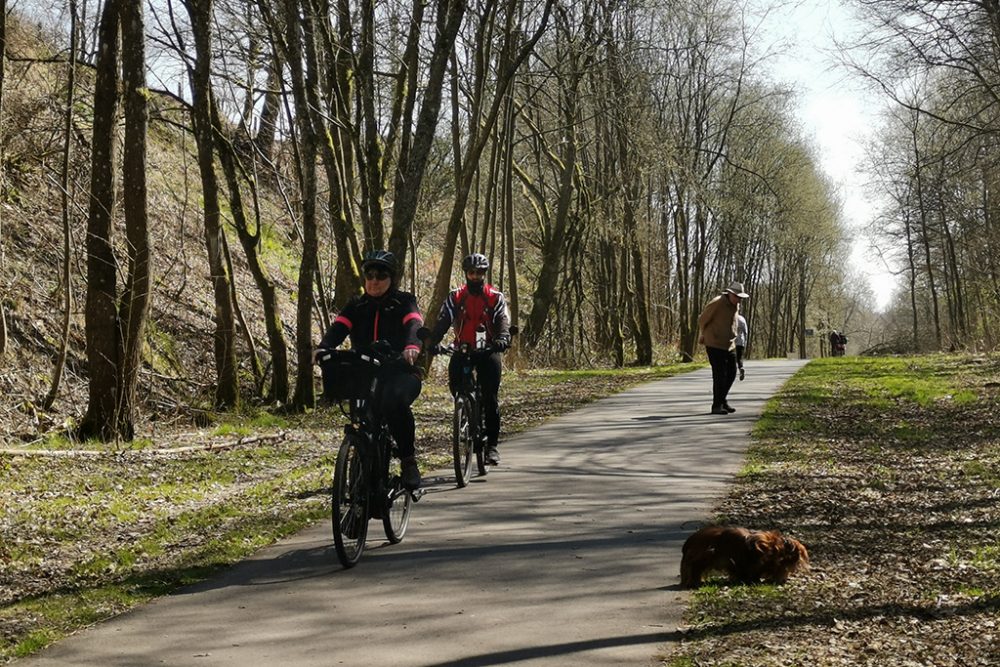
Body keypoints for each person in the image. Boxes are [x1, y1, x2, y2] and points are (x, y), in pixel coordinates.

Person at [316, 250, 425, 489]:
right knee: (361, 418)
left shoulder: (404, 301)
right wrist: (323, 348)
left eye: (381, 275)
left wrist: (411, 347)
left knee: (393, 401)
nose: (374, 280)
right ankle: (362, 474)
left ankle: (408, 461)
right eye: (370, 274)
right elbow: (338, 329)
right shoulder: (357, 305)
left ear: (391, 278)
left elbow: (414, 324)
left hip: (400, 371)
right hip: (364, 372)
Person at [429, 253, 512, 465]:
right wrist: (432, 342)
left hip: (488, 350)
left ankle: (492, 446)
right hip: (462, 349)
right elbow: (443, 320)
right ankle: (464, 413)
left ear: (485, 274)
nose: (475, 277)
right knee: (457, 388)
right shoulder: (456, 297)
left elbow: (502, 319)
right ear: (466, 273)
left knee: (490, 397)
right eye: (472, 273)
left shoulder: (494, 296)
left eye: (480, 273)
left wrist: (503, 337)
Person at [697, 281, 749, 415]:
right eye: (737, 297)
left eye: (741, 298)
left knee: (731, 372)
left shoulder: (735, 306)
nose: (739, 300)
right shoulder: (717, 302)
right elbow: (702, 319)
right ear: (730, 294)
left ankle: (722, 400)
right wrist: (704, 334)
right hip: (714, 343)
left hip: (729, 344)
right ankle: (716, 405)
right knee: (719, 374)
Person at [735, 308, 748, 381]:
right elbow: (745, 331)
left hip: (732, 341)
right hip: (741, 341)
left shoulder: (730, 318)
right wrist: (745, 341)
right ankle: (741, 367)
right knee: (739, 357)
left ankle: (731, 371)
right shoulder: (742, 319)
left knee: (732, 357)